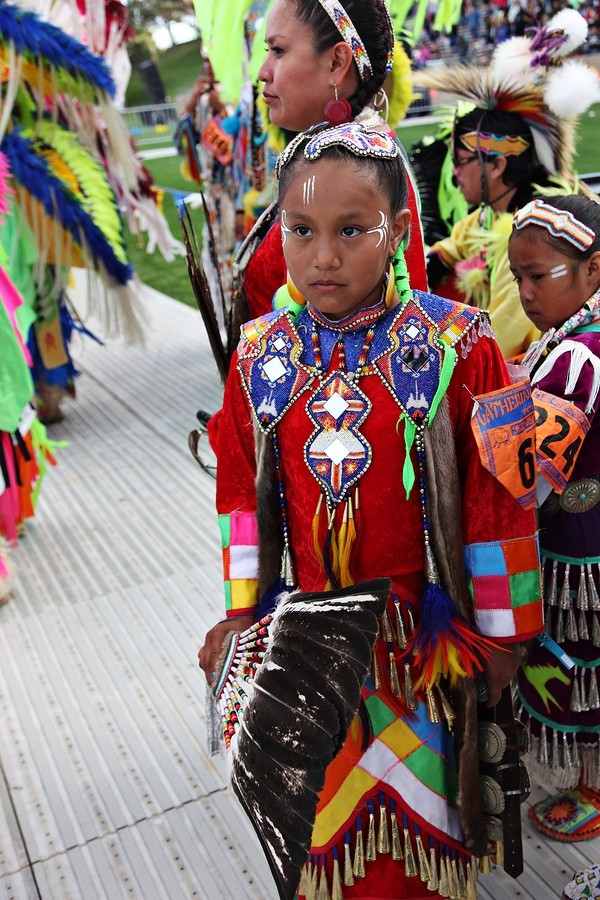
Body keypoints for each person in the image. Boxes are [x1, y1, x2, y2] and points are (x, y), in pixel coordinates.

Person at [199, 121, 543, 898]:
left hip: (423, 646)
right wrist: (240, 615)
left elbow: (501, 499)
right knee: (325, 833)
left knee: (424, 837)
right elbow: (239, 502)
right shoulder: (260, 354)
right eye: (301, 230)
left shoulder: (462, 343)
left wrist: (504, 634)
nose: (323, 256)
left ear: (396, 231)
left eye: (352, 230)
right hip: (312, 647)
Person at [197, 0, 427, 457]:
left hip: (332, 463)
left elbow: (384, 349)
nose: (262, 71)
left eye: (278, 51)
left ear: (337, 62)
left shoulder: (356, 176)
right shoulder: (342, 163)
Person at [413, 8, 599, 361]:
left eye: (461, 162)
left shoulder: (528, 239)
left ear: (497, 165)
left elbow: (499, 338)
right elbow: (457, 242)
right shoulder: (490, 216)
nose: (453, 175)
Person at [508, 195, 600, 842]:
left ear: (593, 270)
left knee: (579, 663)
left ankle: (592, 784)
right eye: (518, 277)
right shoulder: (567, 342)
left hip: (576, 557)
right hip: (579, 544)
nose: (525, 292)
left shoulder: (578, 358)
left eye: (539, 276)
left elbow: (522, 474)